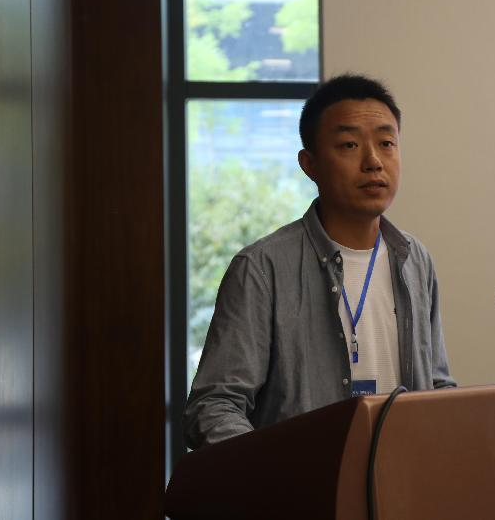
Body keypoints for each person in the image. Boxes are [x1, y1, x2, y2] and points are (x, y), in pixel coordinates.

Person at [183, 74, 456, 449]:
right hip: (301, 483)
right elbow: (214, 407)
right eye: (349, 145)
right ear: (309, 163)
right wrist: (273, 473)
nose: (373, 161)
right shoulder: (262, 268)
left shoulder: (414, 259)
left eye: (386, 143)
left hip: (402, 478)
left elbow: (437, 385)